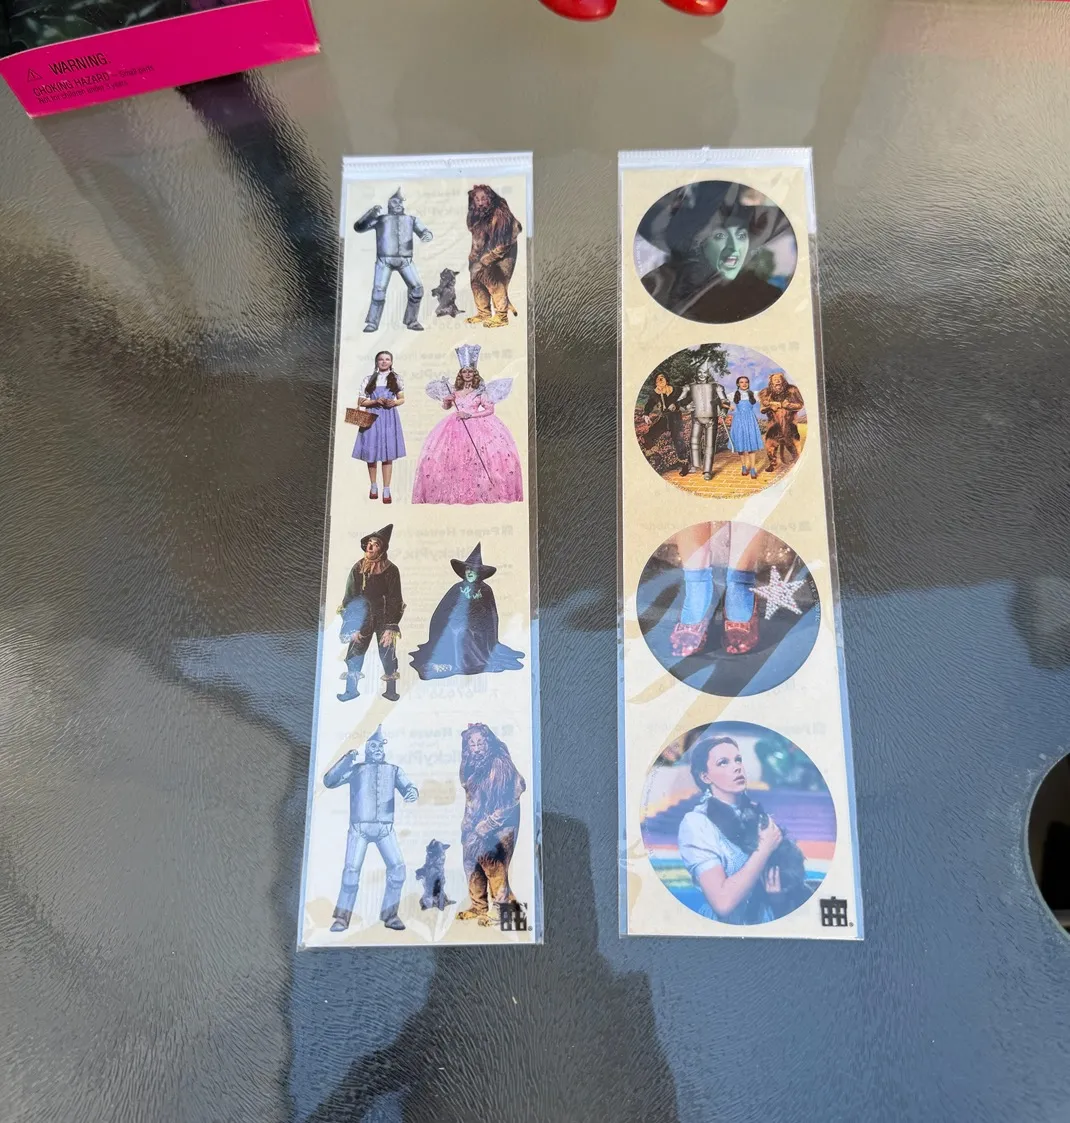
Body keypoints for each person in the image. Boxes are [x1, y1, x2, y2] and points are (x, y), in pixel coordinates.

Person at [677, 731, 807, 924]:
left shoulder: (755, 812)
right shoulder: (696, 823)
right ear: (705, 776)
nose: (737, 767)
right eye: (723, 762)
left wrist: (777, 899)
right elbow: (722, 903)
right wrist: (764, 849)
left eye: (738, 760)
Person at [638, 182, 792, 324]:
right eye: (720, 236)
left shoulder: (656, 226)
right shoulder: (762, 229)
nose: (734, 247)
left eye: (740, 236)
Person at [323, 725, 418, 933]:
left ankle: (390, 915)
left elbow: (409, 786)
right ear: (365, 748)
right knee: (351, 872)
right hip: (359, 828)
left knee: (398, 869)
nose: (377, 749)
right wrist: (346, 759)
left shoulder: (393, 770)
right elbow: (329, 781)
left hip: (385, 829)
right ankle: (342, 918)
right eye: (372, 745)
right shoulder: (356, 770)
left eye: (380, 745)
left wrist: (411, 792)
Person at [411, 344, 524, 505]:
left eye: (470, 371)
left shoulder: (480, 392)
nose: (468, 374)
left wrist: (471, 415)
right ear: (461, 374)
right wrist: (446, 401)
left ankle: (480, 492)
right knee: (453, 457)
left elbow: (490, 410)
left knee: (481, 456)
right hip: (454, 427)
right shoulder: (455, 392)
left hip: (478, 425)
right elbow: (446, 407)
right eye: (464, 371)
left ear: (475, 373)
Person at [409, 543, 525, 679]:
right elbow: (443, 610)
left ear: (479, 573)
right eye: (468, 569)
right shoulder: (457, 588)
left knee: (462, 633)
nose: (470, 572)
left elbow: (491, 615)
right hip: (456, 623)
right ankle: (445, 662)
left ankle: (460, 664)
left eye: (473, 570)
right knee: (451, 630)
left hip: (478, 628)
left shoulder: (486, 590)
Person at [457, 723, 527, 926]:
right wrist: (468, 823)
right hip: (474, 824)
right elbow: (471, 795)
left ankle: (503, 911)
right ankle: (478, 906)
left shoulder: (499, 765)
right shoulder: (471, 764)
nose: (476, 748)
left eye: (480, 743)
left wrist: (487, 825)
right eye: (472, 744)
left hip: (498, 826)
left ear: (488, 743)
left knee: (493, 865)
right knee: (471, 863)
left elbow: (508, 802)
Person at [338, 524, 404, 702]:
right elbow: (349, 598)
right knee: (355, 651)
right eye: (369, 543)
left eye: (375, 544)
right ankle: (351, 690)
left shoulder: (391, 570)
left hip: (384, 617)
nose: (370, 546)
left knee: (387, 653)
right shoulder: (357, 568)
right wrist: (353, 626)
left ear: (382, 549)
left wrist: (390, 627)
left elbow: (395, 599)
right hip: (362, 618)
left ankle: (391, 692)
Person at [354, 187, 433, 332]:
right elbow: (359, 228)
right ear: (389, 204)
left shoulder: (411, 219)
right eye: (394, 202)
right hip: (384, 260)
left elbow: (425, 231)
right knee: (378, 291)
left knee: (417, 289)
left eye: (400, 202)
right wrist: (370, 214)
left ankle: (411, 320)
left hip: (406, 260)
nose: (398, 204)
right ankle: (373, 322)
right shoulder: (380, 219)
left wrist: (427, 235)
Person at [351, 350, 405, 503]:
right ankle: (373, 485)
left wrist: (393, 402)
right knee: (371, 452)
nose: (384, 362)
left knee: (388, 454)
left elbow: (402, 398)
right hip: (372, 417)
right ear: (377, 362)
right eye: (381, 359)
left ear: (391, 362)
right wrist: (375, 401)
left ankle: (386, 489)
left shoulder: (396, 379)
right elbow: (361, 401)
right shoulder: (368, 379)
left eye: (387, 359)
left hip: (389, 417)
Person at [466, 184, 523, 329]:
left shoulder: (501, 215)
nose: (480, 202)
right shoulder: (475, 214)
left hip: (505, 251)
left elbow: (505, 243)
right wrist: (474, 256)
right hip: (486, 250)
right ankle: (483, 313)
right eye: (477, 199)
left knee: (492, 278)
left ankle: (501, 315)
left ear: (490, 198)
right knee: (475, 277)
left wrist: (488, 258)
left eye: (483, 199)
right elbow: (477, 238)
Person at [676, 359, 728, 480]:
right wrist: (686, 407)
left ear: (708, 374)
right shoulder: (689, 387)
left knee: (709, 445)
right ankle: (695, 465)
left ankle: (707, 471)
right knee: (694, 442)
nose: (702, 375)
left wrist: (724, 411)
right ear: (696, 373)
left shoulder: (716, 386)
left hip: (711, 419)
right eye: (699, 372)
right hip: (696, 418)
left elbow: (724, 401)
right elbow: (679, 402)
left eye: (704, 372)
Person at [640, 372, 689, 473]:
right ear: (655, 382)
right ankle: (653, 457)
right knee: (648, 436)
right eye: (657, 379)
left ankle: (684, 464)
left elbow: (689, 397)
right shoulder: (655, 393)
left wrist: (677, 405)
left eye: (662, 378)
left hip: (675, 418)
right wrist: (646, 414)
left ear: (667, 380)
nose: (660, 380)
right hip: (664, 418)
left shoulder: (676, 390)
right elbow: (649, 404)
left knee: (678, 440)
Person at [758, 371, 804, 473]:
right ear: (771, 382)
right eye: (775, 379)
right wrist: (770, 406)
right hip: (774, 425)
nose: (777, 381)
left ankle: (797, 462)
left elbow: (800, 404)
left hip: (789, 423)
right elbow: (762, 409)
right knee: (770, 445)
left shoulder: (792, 390)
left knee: (792, 444)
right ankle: (773, 463)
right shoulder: (766, 392)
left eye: (779, 379)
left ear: (783, 380)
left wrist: (788, 405)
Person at [727, 375, 764, 479]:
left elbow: (765, 400)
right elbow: (720, 401)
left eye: (746, 382)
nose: (744, 384)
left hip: (750, 421)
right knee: (740, 444)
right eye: (741, 382)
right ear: (738, 384)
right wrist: (729, 406)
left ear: (748, 383)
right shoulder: (733, 394)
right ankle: (743, 466)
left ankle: (752, 468)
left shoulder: (754, 394)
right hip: (738, 421)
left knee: (752, 445)